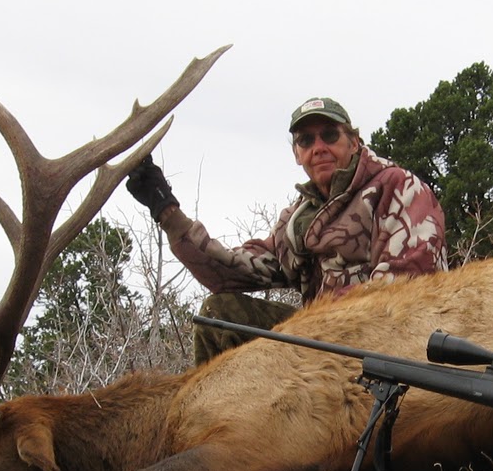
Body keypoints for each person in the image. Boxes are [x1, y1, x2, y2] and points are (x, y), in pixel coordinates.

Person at [126, 96, 447, 363]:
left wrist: (305, 326)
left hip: (393, 343)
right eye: (306, 140)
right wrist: (167, 212)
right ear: (296, 153)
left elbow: (404, 289)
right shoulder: (298, 219)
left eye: (329, 135)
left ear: (354, 142)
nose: (318, 147)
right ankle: (219, 419)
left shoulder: (399, 188)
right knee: (218, 315)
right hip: (322, 341)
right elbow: (229, 272)